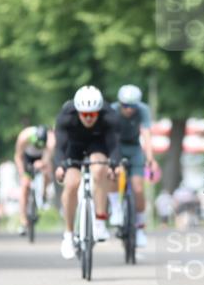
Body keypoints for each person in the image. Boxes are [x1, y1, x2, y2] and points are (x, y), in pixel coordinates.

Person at [53, 85, 120, 260]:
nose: (89, 118)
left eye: (93, 114)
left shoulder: (109, 116)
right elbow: (59, 146)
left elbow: (114, 144)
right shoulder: (66, 116)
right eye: (85, 114)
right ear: (78, 111)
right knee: (71, 184)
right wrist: (60, 166)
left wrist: (115, 165)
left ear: (99, 112)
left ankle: (99, 221)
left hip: (98, 144)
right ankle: (68, 235)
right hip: (73, 147)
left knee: (100, 169)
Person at [110, 84, 160, 247]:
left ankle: (139, 228)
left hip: (134, 148)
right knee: (113, 175)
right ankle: (116, 208)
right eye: (125, 106)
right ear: (120, 103)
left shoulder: (143, 110)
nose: (129, 110)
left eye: (132, 106)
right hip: (116, 147)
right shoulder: (112, 110)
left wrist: (150, 158)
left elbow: (146, 133)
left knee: (138, 189)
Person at [14, 124, 55, 236]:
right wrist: (23, 174)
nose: (37, 147)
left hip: (41, 158)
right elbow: (18, 157)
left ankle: (44, 194)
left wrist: (42, 164)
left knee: (47, 173)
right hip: (26, 158)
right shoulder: (24, 137)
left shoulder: (50, 143)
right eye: (36, 145)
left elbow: (46, 160)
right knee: (25, 186)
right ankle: (23, 220)